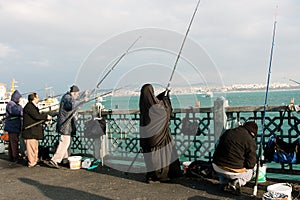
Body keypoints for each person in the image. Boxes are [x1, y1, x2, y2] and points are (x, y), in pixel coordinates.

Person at [139, 84, 181, 183]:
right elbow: (165, 110)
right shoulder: (157, 107)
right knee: (162, 155)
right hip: (159, 137)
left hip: (146, 138)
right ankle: (161, 175)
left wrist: (163, 95)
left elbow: (156, 103)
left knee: (150, 156)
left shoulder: (144, 104)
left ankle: (152, 175)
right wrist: (166, 98)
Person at [47, 85, 86, 168]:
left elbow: (75, 102)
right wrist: (83, 99)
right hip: (65, 124)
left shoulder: (68, 97)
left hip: (65, 124)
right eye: (78, 94)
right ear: (74, 93)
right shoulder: (68, 98)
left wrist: (84, 95)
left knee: (65, 142)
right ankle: (54, 160)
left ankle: (65, 160)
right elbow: (72, 105)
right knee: (65, 142)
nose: (78, 95)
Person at [212, 121, 258, 194]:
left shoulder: (227, 132)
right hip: (234, 172)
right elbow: (250, 164)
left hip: (217, 167)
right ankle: (237, 182)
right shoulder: (249, 140)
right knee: (251, 172)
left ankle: (223, 182)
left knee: (224, 162)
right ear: (252, 133)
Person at [22, 93, 52, 167]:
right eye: (37, 97)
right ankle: (32, 162)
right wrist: (46, 116)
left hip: (33, 131)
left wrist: (44, 122)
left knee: (35, 148)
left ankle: (34, 161)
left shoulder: (31, 106)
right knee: (31, 148)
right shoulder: (29, 107)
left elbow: (35, 118)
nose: (38, 99)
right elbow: (36, 116)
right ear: (34, 98)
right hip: (30, 131)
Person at [4, 90, 23, 162]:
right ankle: (15, 157)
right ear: (16, 98)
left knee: (12, 142)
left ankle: (11, 156)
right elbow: (16, 112)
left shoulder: (15, 105)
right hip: (13, 127)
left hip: (14, 126)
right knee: (14, 142)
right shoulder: (11, 104)